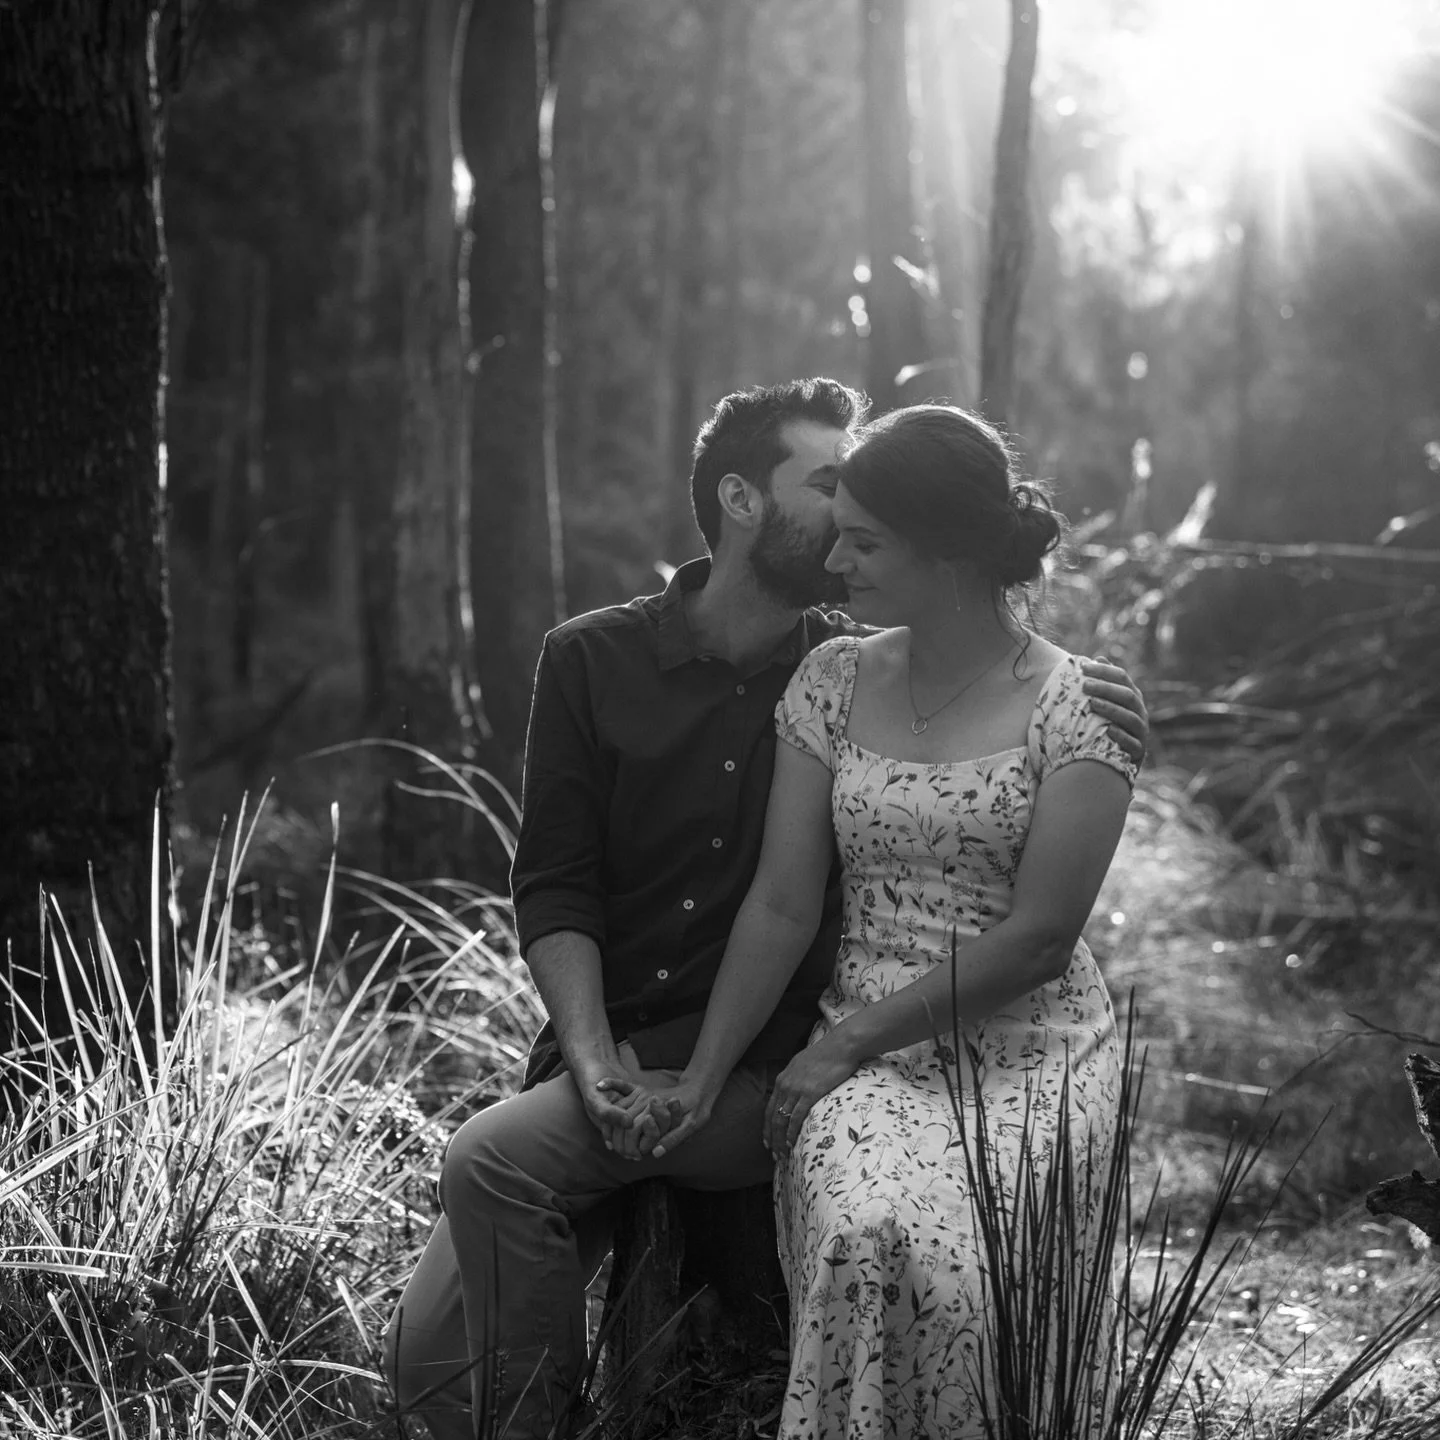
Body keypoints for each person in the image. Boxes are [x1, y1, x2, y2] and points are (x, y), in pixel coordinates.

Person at [381, 381, 1147, 1440]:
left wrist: (1100, 713)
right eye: (830, 485)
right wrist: (595, 1055)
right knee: (426, 1366)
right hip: (632, 1053)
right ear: (743, 501)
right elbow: (561, 882)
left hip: (785, 1053)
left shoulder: (854, 654)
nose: (844, 528)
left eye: (862, 506)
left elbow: (973, 629)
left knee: (915, 1256)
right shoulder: (602, 661)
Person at [657, 404, 1138, 1439]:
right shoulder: (833, 679)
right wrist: (707, 1073)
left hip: (1032, 1051)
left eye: (864, 541)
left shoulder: (1082, 706)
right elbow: (783, 902)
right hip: (868, 1041)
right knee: (867, 1230)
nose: (836, 560)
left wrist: (841, 1047)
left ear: (950, 550)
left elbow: (1041, 938)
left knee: (974, 1278)